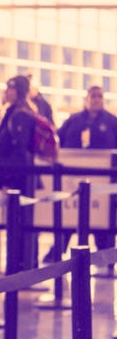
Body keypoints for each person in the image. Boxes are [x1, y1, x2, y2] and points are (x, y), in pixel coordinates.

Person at [56, 86, 117, 252]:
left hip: (103, 182)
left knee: (102, 221)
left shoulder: (112, 122)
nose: (96, 99)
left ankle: (105, 255)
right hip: (73, 180)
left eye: (99, 96)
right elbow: (57, 141)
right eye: (93, 96)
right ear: (87, 99)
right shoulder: (73, 120)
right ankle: (58, 250)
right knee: (68, 219)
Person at [0, 75, 39, 270]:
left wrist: (8, 179)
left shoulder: (20, 115)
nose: (7, 91)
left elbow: (19, 151)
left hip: (19, 180)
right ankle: (19, 263)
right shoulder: (13, 112)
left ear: (18, 91)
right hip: (18, 178)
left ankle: (21, 265)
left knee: (19, 222)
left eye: (10, 88)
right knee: (17, 223)